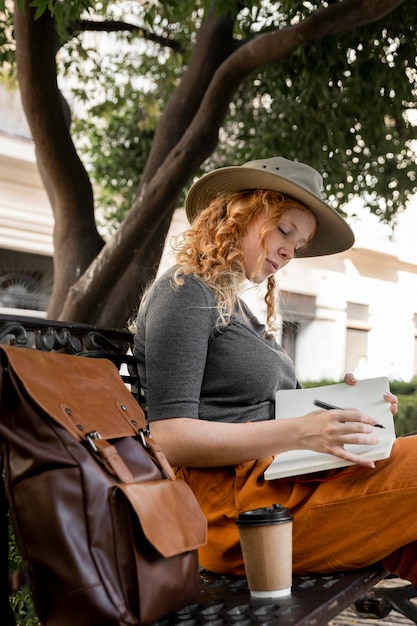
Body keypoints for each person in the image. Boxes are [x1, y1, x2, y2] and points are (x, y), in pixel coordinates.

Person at [133, 156, 417, 584]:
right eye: (284, 231)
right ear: (239, 210)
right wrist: (301, 432)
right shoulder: (184, 292)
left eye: (298, 245)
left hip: (280, 486)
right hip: (235, 515)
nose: (289, 252)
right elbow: (168, 438)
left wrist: (349, 407)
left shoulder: (237, 308)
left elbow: (281, 418)